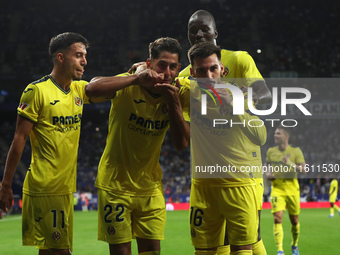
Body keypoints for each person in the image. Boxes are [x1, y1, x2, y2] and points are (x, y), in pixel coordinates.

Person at [85, 37, 190, 255]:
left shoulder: (179, 92)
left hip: (150, 187)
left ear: (179, 68)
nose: (167, 72)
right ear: (149, 63)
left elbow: (181, 144)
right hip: (115, 185)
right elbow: (91, 88)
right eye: (162, 64)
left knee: (152, 251)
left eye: (173, 67)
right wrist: (135, 78)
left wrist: (174, 104)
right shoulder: (130, 83)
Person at [179, 10, 269, 255]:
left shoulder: (239, 59)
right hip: (208, 174)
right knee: (218, 242)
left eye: (204, 29)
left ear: (215, 33)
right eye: (193, 30)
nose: (198, 34)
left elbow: (265, 95)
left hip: (242, 168)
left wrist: (233, 99)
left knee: (247, 237)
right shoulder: (185, 76)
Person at [0, 32, 92, 255]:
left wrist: (133, 75)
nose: (84, 61)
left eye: (85, 56)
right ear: (61, 57)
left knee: (49, 250)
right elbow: (19, 138)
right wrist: (5, 185)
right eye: (78, 55)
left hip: (64, 186)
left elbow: (104, 85)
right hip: (45, 186)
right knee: (60, 251)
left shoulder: (78, 89)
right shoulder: (37, 90)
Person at [266, 125, 306, 255]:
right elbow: (267, 167)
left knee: (294, 220)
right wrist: (268, 174)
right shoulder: (270, 151)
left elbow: (304, 170)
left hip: (292, 190)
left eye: (278, 134)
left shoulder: (296, 151)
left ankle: (294, 245)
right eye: (275, 133)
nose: (275, 135)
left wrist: (290, 163)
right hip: (277, 190)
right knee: (277, 218)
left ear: (286, 136)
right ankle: (280, 250)